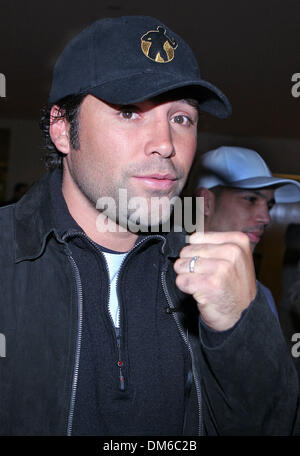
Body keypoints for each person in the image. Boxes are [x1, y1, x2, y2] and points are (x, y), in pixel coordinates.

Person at [0, 16, 299, 436]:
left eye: (181, 118)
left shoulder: (215, 276)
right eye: (128, 112)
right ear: (63, 129)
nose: (166, 143)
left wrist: (238, 331)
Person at [194, 146, 300, 318]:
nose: (266, 218)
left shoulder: (261, 296)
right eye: (251, 199)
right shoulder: (157, 278)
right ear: (205, 202)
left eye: (269, 205)